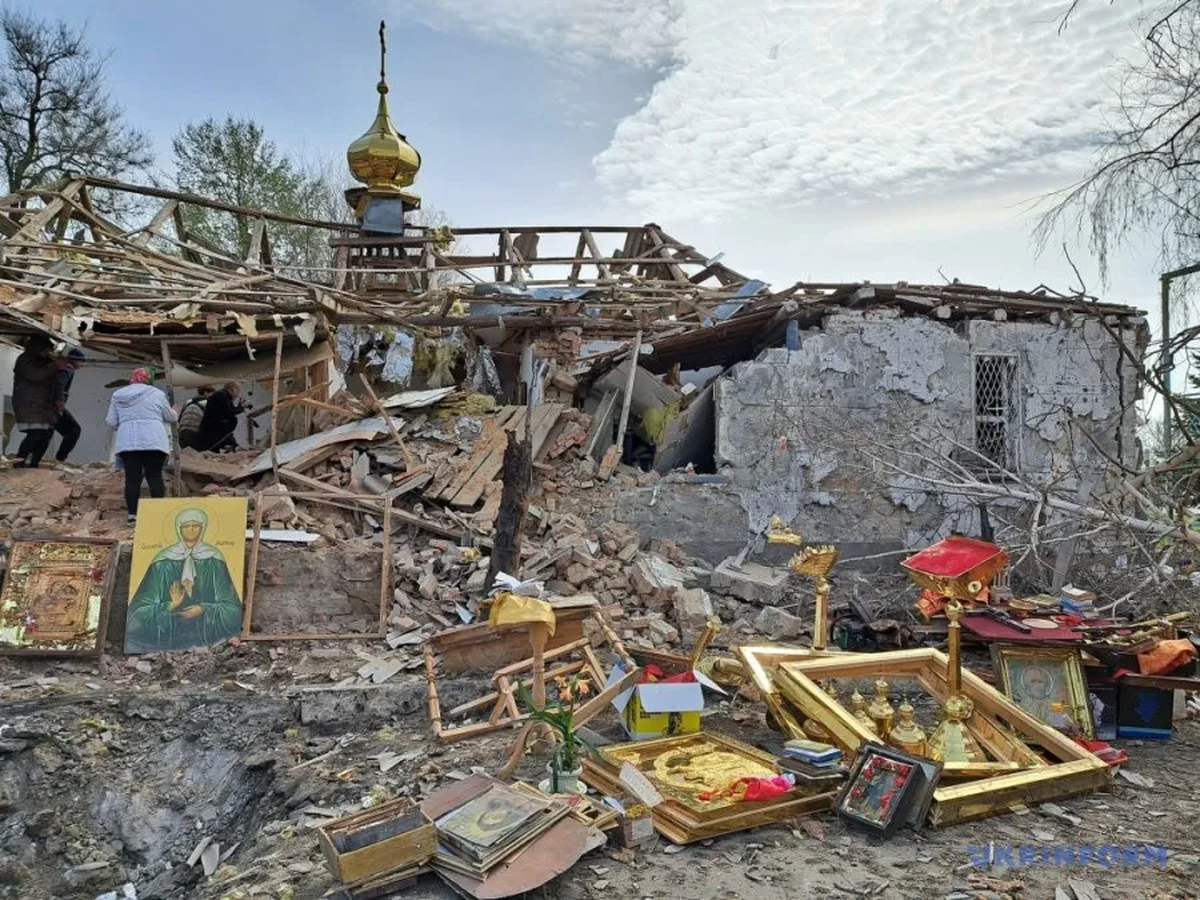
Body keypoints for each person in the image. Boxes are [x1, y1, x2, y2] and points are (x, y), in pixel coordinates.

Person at [125, 506, 243, 652]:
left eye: (196, 525)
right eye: (186, 525)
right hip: (165, 638)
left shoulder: (214, 559)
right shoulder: (162, 562)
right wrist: (170, 605)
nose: (191, 529)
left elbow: (232, 608)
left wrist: (204, 609)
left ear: (203, 528)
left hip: (206, 634)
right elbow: (138, 610)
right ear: (179, 529)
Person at [105, 368, 177, 524]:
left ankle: (132, 516)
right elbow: (170, 417)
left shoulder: (118, 395)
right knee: (155, 475)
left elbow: (111, 421)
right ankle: (158, 514)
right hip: (154, 440)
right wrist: (175, 411)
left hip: (128, 441)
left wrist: (125, 423)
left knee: (132, 479)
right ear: (148, 379)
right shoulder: (157, 394)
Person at [11, 335, 68, 468]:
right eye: (45, 350)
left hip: (44, 405)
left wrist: (59, 398)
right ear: (38, 349)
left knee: (46, 434)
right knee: (34, 434)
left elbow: (56, 381)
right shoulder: (24, 359)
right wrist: (55, 365)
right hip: (28, 404)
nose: (47, 353)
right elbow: (35, 375)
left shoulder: (45, 360)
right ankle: (19, 463)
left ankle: (34, 464)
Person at [50, 348, 86, 463]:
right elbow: (59, 386)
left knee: (46, 432)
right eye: (81, 361)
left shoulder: (62, 367)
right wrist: (59, 405)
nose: (82, 364)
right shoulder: (68, 369)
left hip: (46, 404)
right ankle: (60, 458)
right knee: (74, 430)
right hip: (53, 405)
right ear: (74, 361)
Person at [197, 381, 247, 452]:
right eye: (238, 391)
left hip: (217, 431)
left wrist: (240, 406)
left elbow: (230, 411)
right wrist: (241, 407)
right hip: (212, 431)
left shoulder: (224, 396)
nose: (238, 394)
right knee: (215, 449)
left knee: (228, 444)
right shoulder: (222, 395)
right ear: (233, 389)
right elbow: (230, 411)